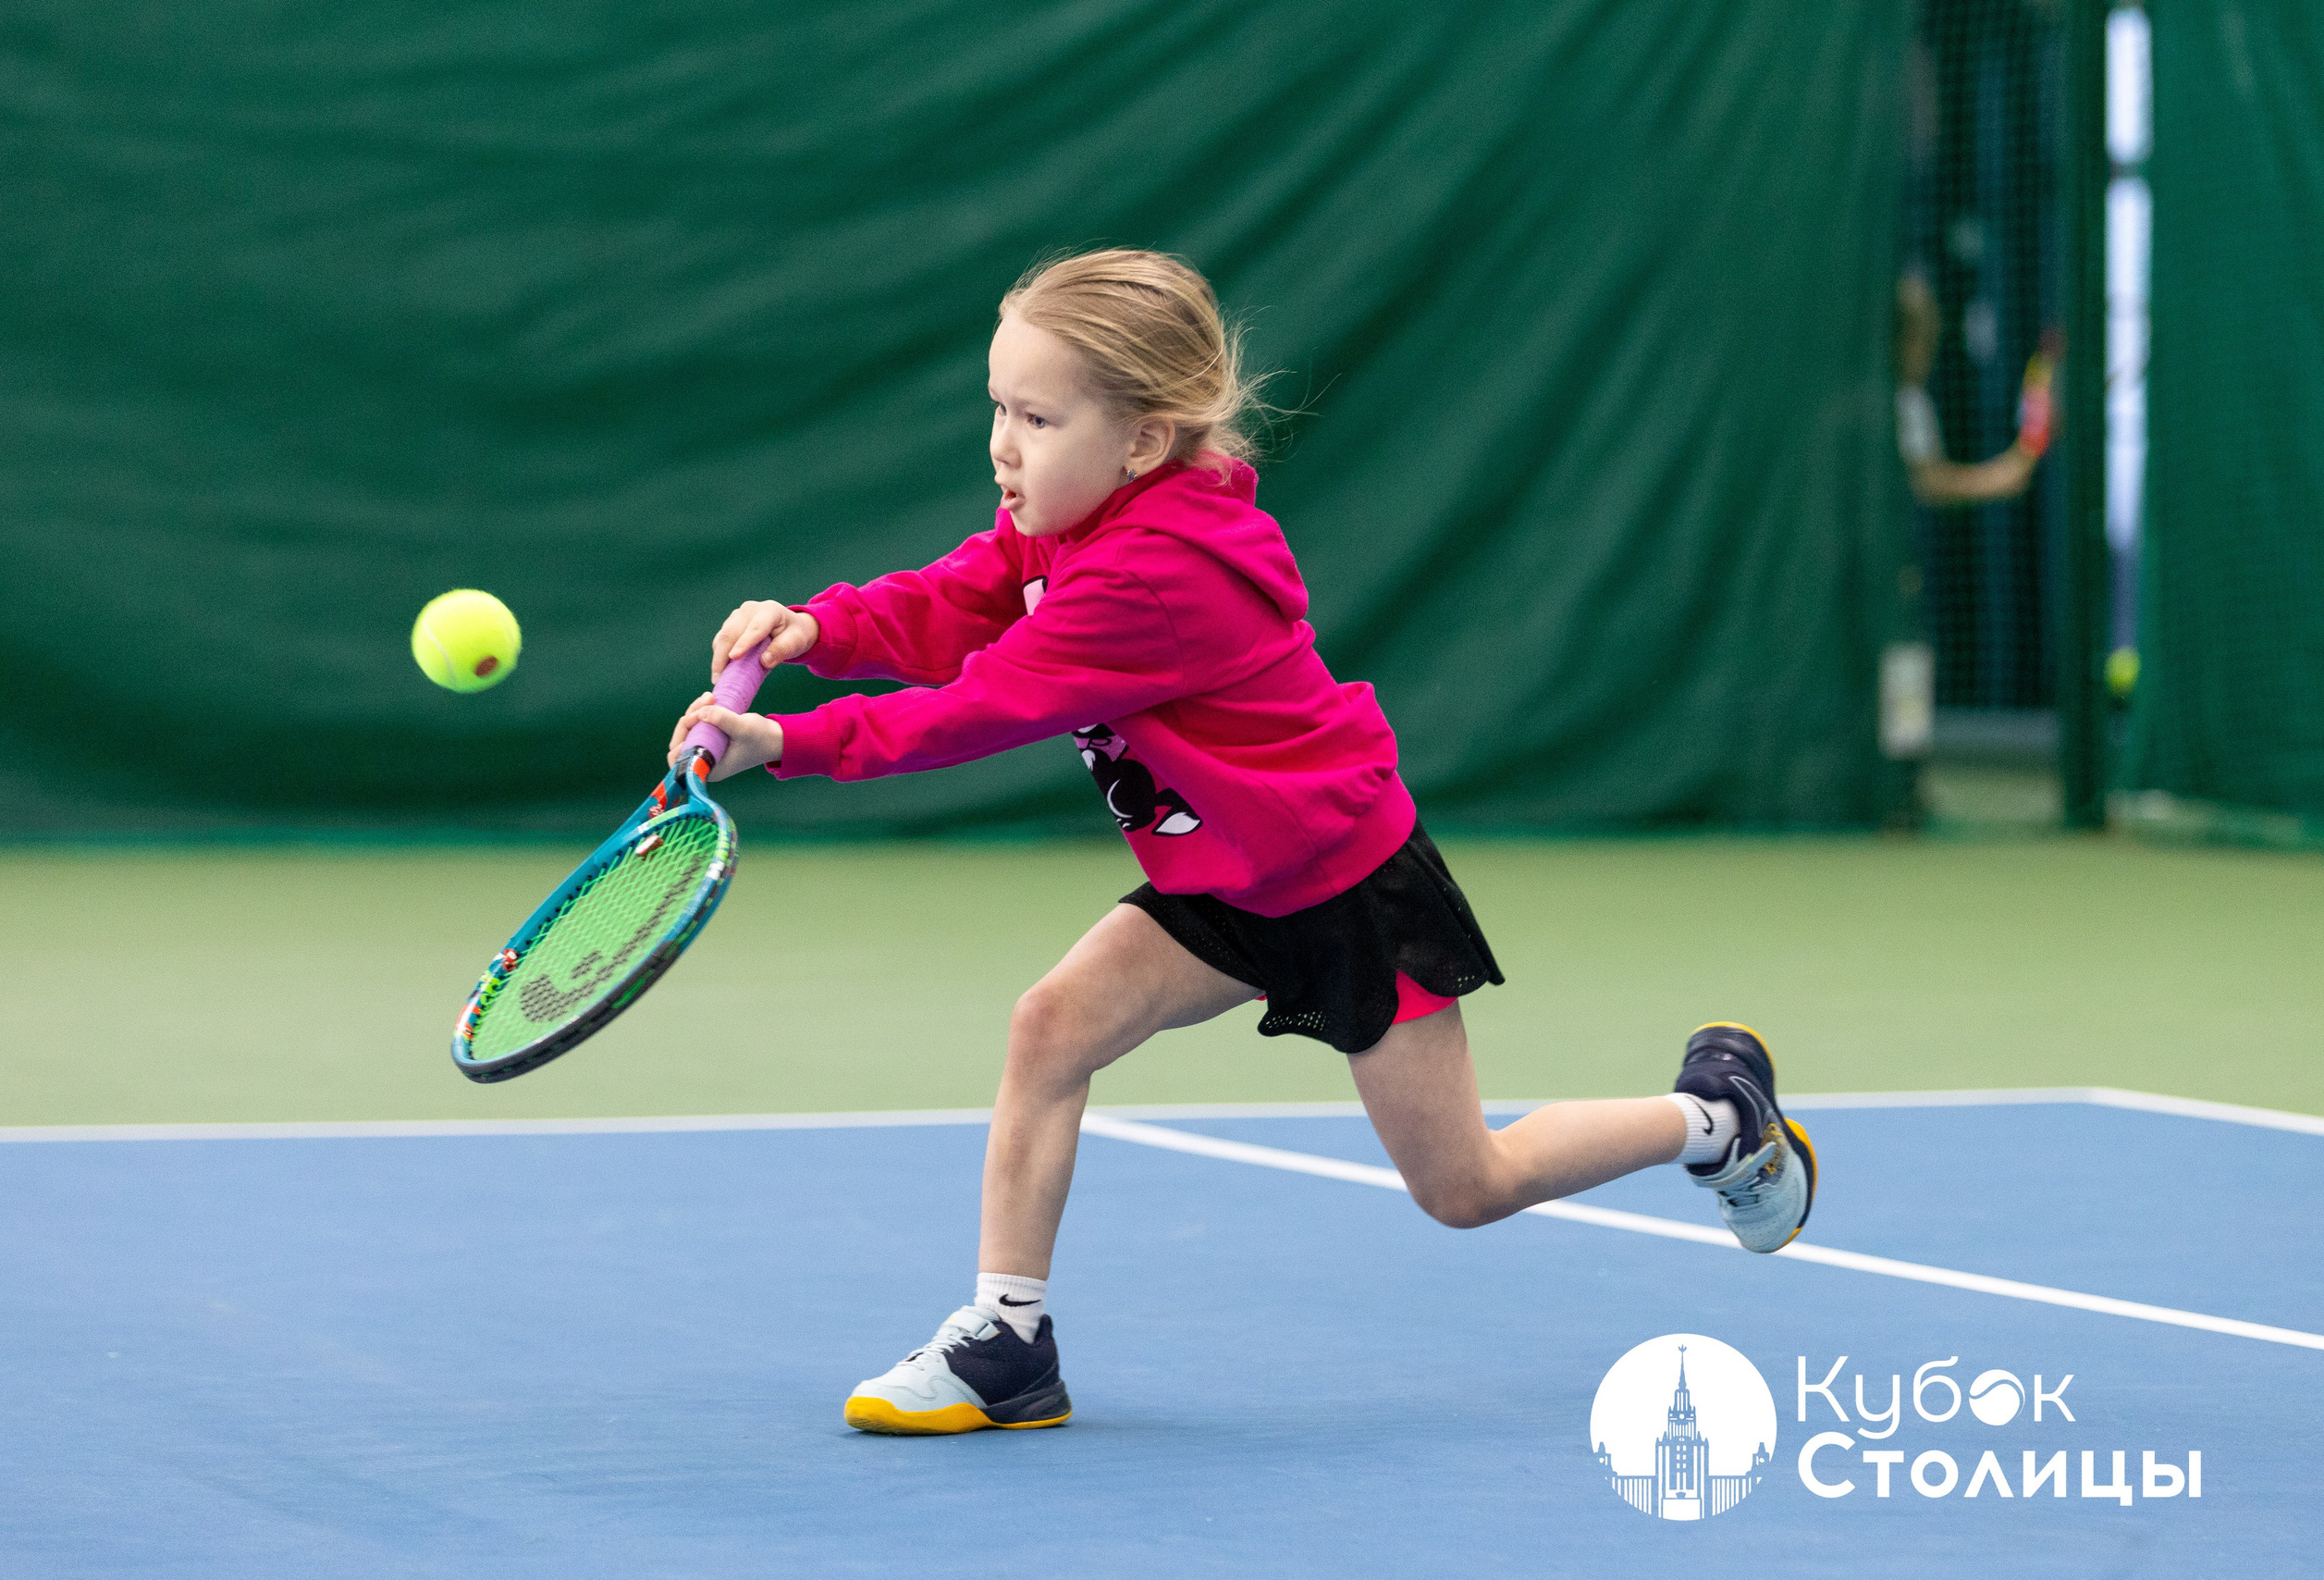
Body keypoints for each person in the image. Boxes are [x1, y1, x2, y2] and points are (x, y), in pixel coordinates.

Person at [669, 249, 1816, 1437]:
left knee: (1467, 1185)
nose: (1003, 445)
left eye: (1037, 417)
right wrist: (821, 624)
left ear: (1141, 440)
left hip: (1343, 884)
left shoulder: (1151, 576)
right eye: (997, 409)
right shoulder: (1071, 519)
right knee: (1051, 1025)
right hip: (1224, 873)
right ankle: (1008, 1341)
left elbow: (983, 701)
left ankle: (1718, 1115)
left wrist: (786, 744)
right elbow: (965, 592)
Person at [1896, 271, 2058, 507]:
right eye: (1926, 336)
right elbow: (1928, 482)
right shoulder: (1907, 400)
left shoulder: (1912, 400)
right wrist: (2000, 478)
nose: (1932, 350)